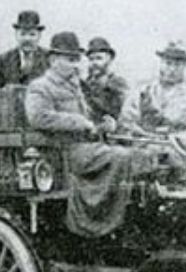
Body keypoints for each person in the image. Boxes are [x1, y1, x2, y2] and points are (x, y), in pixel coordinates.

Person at [26, 32, 153, 237]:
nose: (76, 65)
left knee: (142, 154)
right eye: (70, 60)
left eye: (77, 60)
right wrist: (78, 123)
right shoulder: (40, 87)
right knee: (121, 156)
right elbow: (38, 117)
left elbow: (90, 118)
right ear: (53, 60)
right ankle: (102, 220)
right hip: (64, 153)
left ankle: (124, 219)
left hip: (87, 147)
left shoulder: (76, 86)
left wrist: (104, 124)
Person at [119, 41, 186, 165]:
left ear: (184, 66)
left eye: (177, 65)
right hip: (143, 147)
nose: (172, 69)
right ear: (161, 64)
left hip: (177, 150)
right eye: (168, 63)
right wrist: (142, 135)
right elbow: (127, 120)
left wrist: (178, 139)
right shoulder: (142, 90)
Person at [0, 10, 50, 89]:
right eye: (23, 34)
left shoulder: (49, 58)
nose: (27, 39)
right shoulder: (2, 60)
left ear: (39, 36)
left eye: (32, 34)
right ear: (16, 35)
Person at [80, 37, 129, 123]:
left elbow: (123, 112)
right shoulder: (86, 83)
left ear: (109, 60)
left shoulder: (117, 83)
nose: (94, 63)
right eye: (91, 59)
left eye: (99, 58)